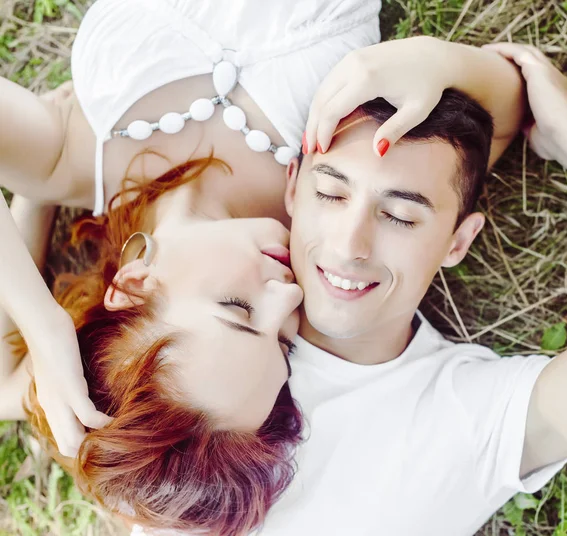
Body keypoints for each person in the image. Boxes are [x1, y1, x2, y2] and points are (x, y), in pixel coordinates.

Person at [0, 1, 527, 533]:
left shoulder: (64, 156)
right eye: (281, 341)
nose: (289, 298)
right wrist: (438, 60)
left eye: (237, 310)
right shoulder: (332, 205)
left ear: (135, 282)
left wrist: (44, 320)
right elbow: (500, 112)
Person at [248, 43, 567, 535]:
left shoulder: (473, 415)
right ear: (293, 188)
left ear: (458, 241)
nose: (351, 245)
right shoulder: (198, 314)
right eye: (330, 193)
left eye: (400, 216)